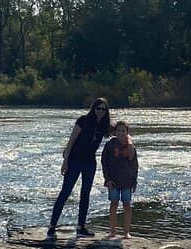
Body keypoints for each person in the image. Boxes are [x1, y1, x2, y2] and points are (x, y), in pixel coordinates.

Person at [47, 98, 111, 237]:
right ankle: (52, 226)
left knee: (85, 194)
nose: (100, 111)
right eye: (98, 108)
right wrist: (65, 161)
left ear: (106, 112)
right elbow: (71, 141)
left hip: (89, 163)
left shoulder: (104, 125)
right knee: (65, 192)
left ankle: (81, 227)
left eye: (103, 109)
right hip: (75, 161)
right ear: (93, 108)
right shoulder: (83, 120)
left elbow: (120, 132)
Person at [101, 119, 138, 239]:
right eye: (118, 131)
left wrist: (134, 180)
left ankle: (126, 232)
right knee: (114, 204)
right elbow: (104, 162)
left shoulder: (130, 145)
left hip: (127, 181)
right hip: (113, 181)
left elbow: (134, 163)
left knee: (127, 205)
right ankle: (112, 231)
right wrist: (107, 179)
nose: (121, 133)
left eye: (123, 131)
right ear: (115, 132)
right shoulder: (110, 145)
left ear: (127, 132)